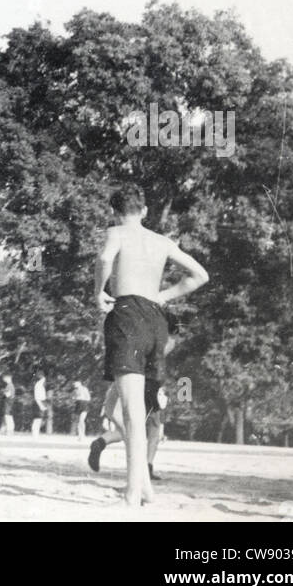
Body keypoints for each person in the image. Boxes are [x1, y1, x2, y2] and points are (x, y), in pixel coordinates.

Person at [94, 184, 208, 506]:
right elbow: (200, 275)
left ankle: (132, 494)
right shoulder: (162, 241)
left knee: (128, 412)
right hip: (156, 321)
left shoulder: (115, 232)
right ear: (144, 211)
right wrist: (163, 296)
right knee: (136, 412)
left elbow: (104, 258)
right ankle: (145, 487)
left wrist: (97, 291)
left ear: (115, 212)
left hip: (127, 315)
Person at [31, 371, 48, 437]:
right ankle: (35, 434)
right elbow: (37, 397)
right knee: (37, 419)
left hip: (40, 402)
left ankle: (35, 433)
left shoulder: (40, 385)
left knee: (38, 419)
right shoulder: (39, 385)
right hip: (39, 402)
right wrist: (41, 405)